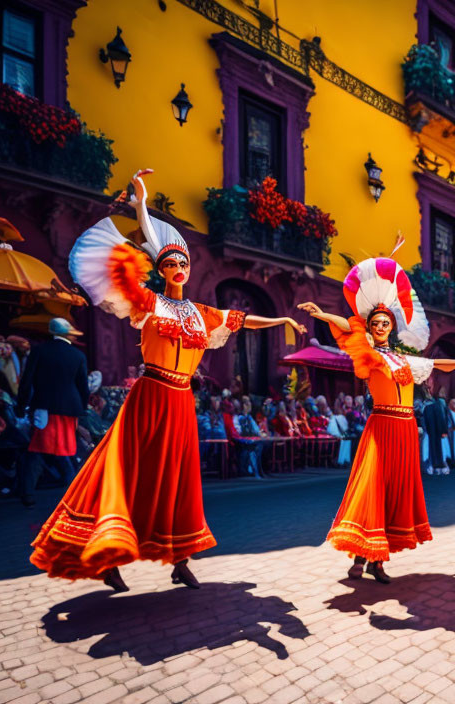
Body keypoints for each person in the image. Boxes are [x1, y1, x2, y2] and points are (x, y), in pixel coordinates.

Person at [30, 169, 305, 592]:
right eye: (171, 263)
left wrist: (283, 317)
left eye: (184, 262)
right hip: (151, 395)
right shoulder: (147, 303)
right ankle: (109, 556)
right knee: (132, 474)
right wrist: (141, 206)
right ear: (160, 271)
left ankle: (179, 557)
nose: (178, 267)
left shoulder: (201, 312)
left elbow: (244, 320)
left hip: (181, 400)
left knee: (177, 479)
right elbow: (126, 271)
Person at [299, 255, 455, 583]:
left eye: (385, 324)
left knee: (394, 494)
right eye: (376, 324)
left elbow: (439, 364)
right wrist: (321, 314)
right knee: (373, 490)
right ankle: (359, 555)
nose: (380, 328)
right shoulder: (369, 354)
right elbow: (347, 326)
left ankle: (379, 561)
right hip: (381, 427)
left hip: (406, 429)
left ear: (392, 327)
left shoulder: (405, 359)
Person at [16, 318, 89, 506]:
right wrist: (81, 409)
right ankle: (75, 491)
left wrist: (20, 405)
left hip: (45, 406)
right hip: (70, 409)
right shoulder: (78, 355)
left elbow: (26, 382)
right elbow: (83, 387)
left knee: (38, 448)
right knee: (64, 448)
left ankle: (28, 494)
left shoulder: (39, 351)